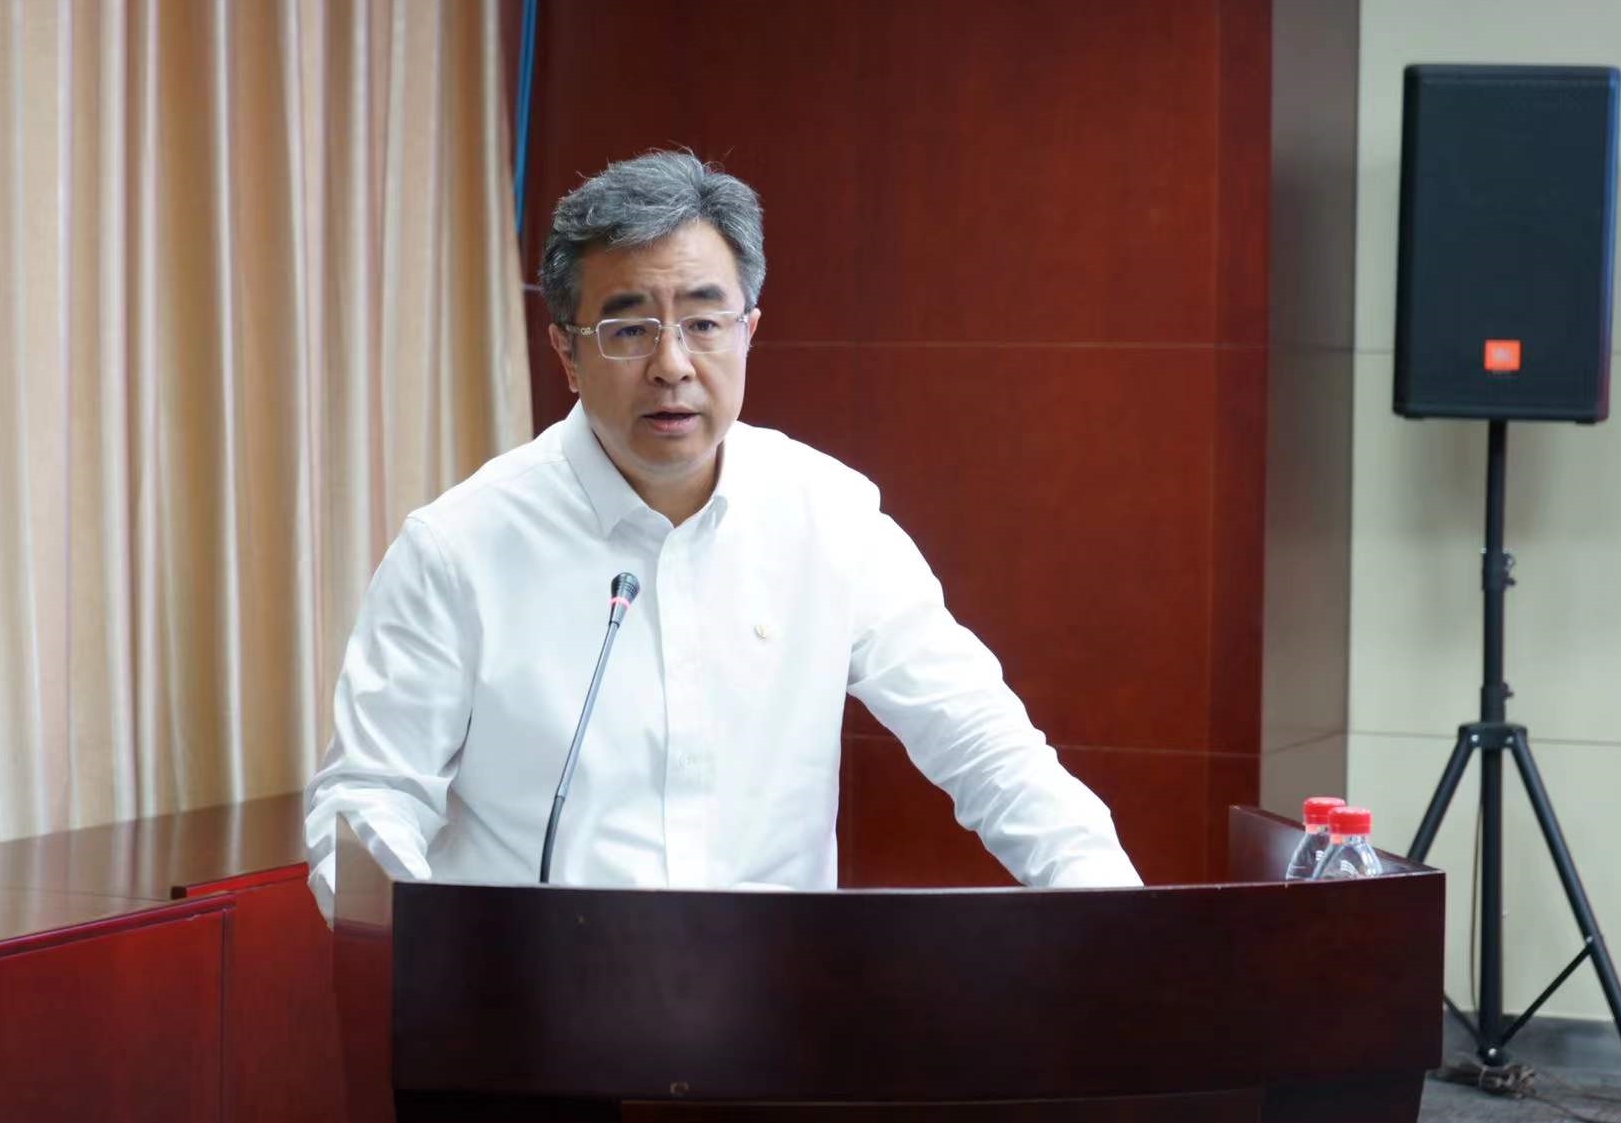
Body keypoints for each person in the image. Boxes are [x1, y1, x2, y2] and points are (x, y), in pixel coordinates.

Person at [304, 151, 1140, 914]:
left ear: (749, 332)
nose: (672, 364)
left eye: (704, 322)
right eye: (628, 329)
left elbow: (984, 745)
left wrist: (1119, 924)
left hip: (773, 1008)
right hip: (535, 1008)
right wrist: (429, 960)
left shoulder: (829, 517)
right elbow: (371, 798)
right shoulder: (458, 549)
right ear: (567, 354)